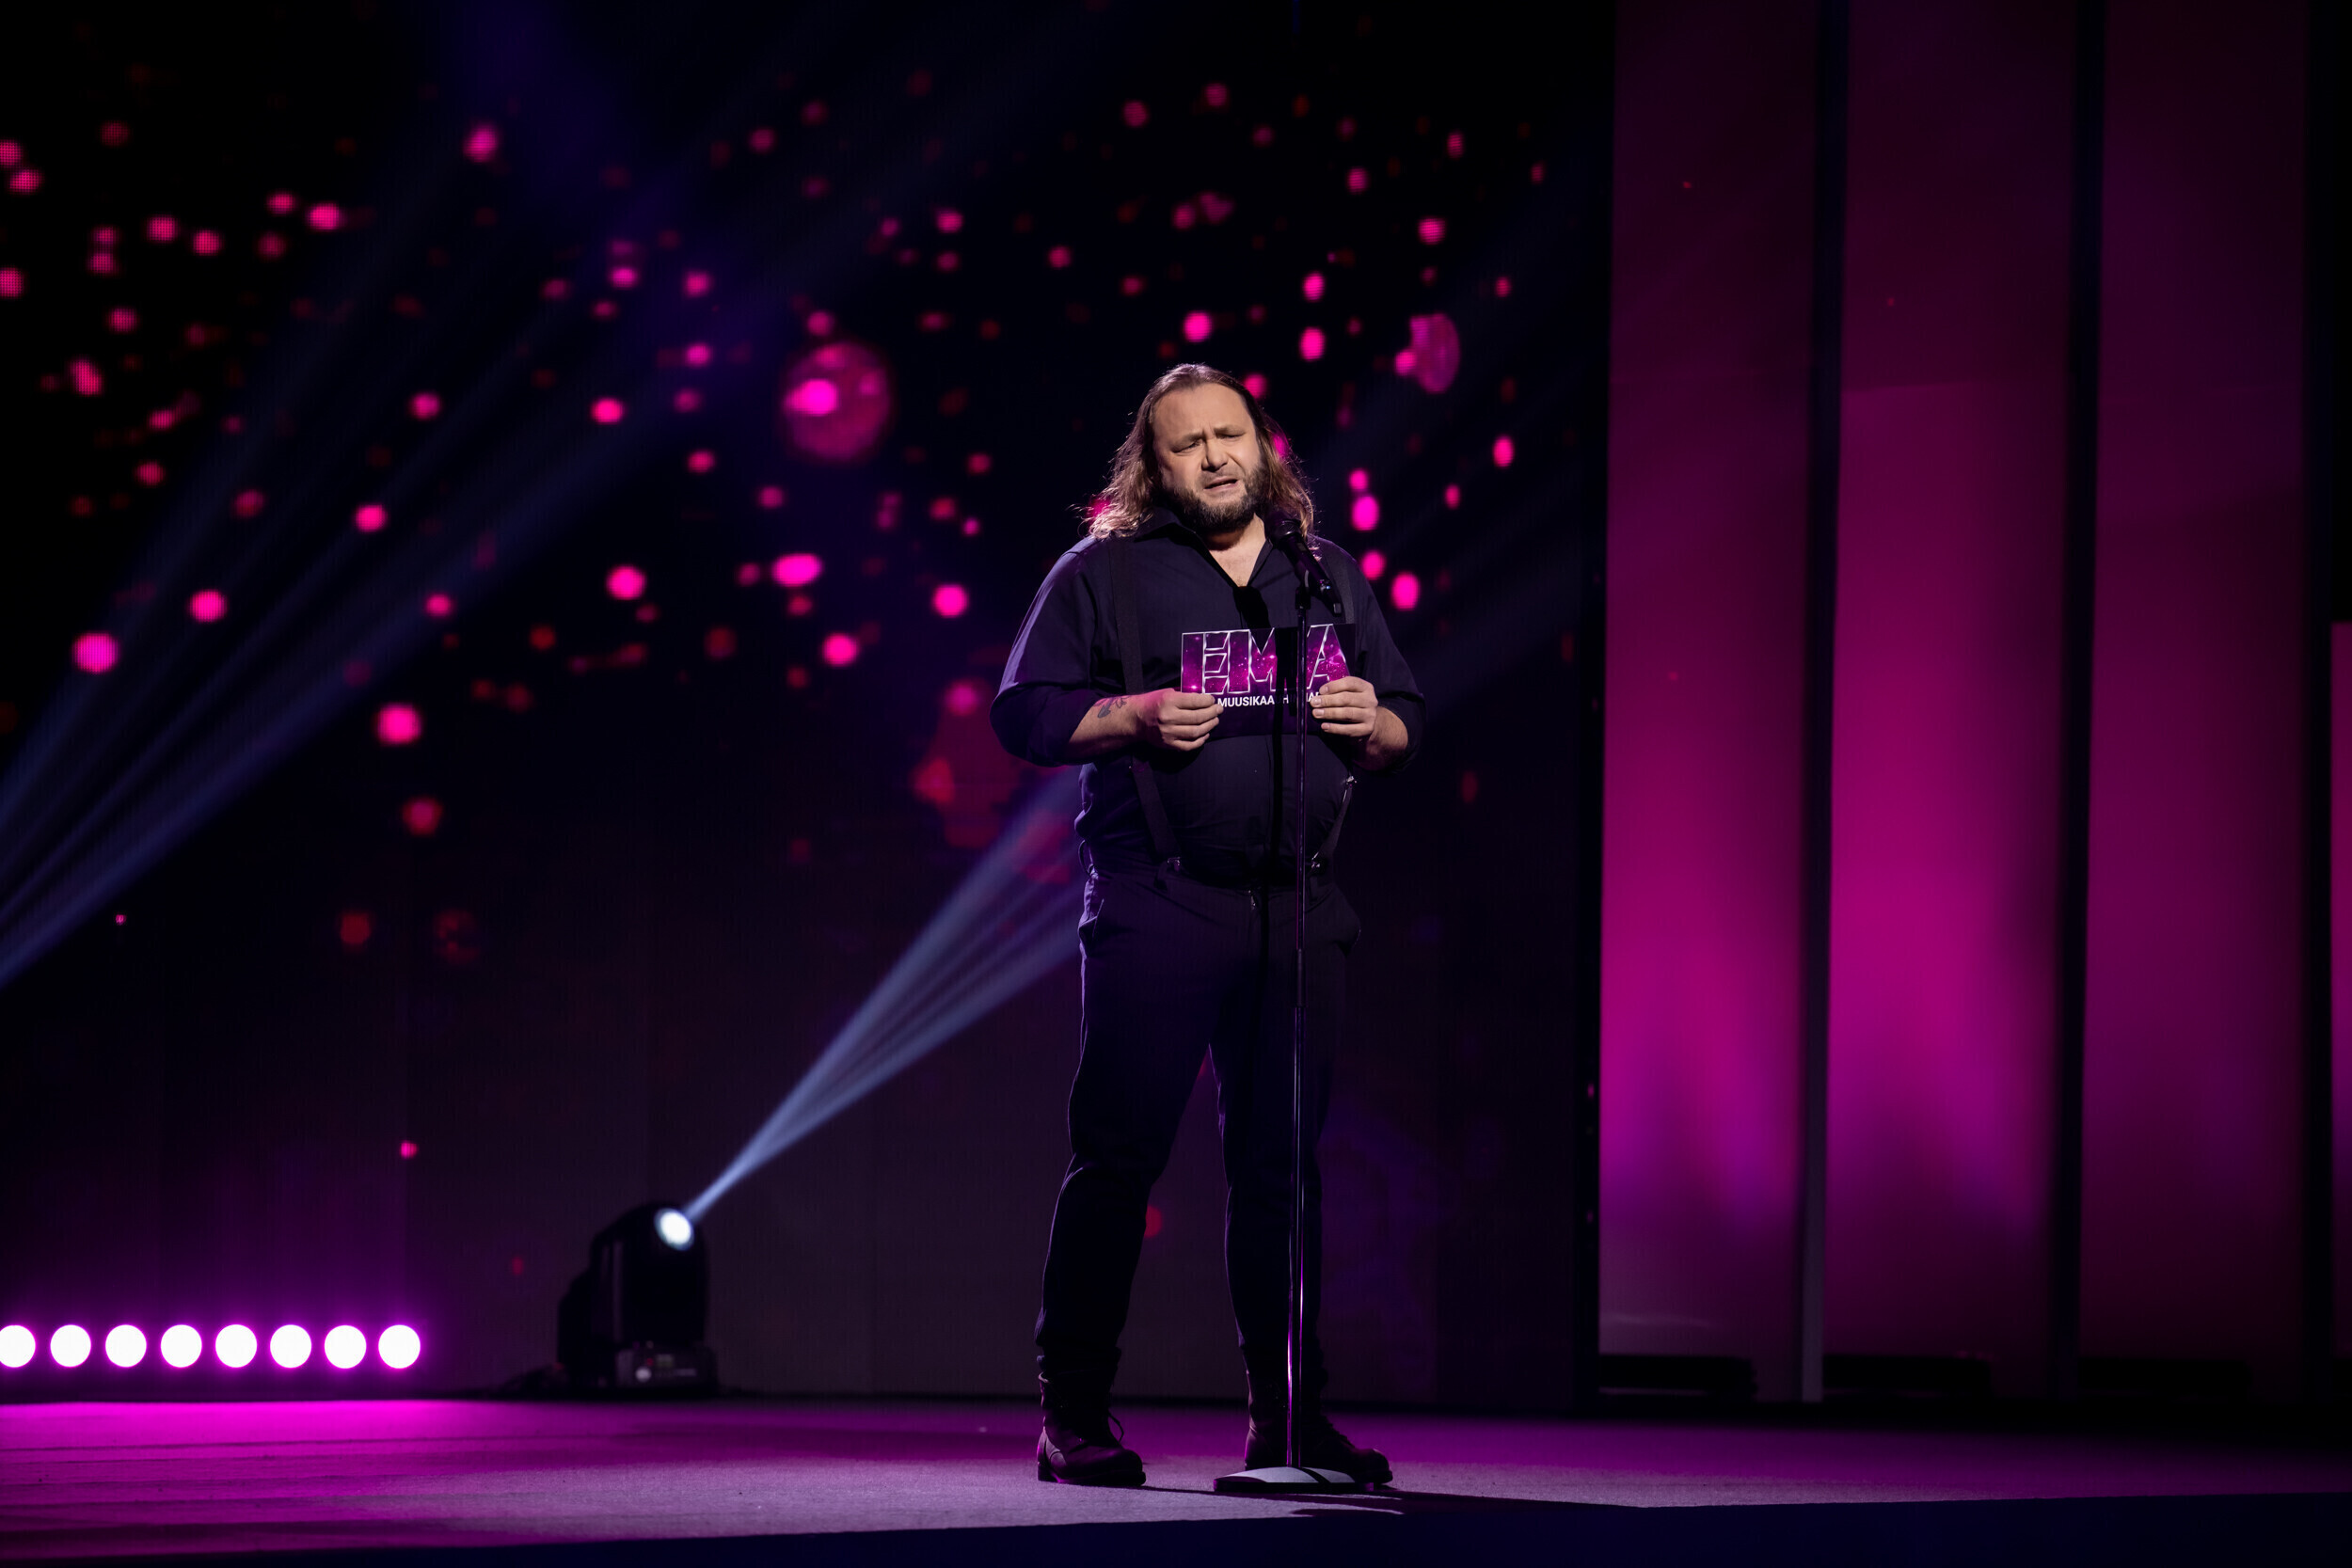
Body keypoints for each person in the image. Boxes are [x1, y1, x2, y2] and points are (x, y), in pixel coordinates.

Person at [993, 364, 1424, 1486]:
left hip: (1299, 909)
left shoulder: (1321, 573)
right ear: (1154, 463)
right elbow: (1024, 713)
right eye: (1187, 443)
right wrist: (1128, 714)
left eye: (1230, 434)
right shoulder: (1105, 574)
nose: (1215, 456)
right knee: (1117, 1158)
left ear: (1263, 445)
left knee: (1283, 1172)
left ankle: (1289, 1421)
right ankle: (1072, 1413)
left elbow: (1401, 722)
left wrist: (1371, 720)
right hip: (1160, 902)